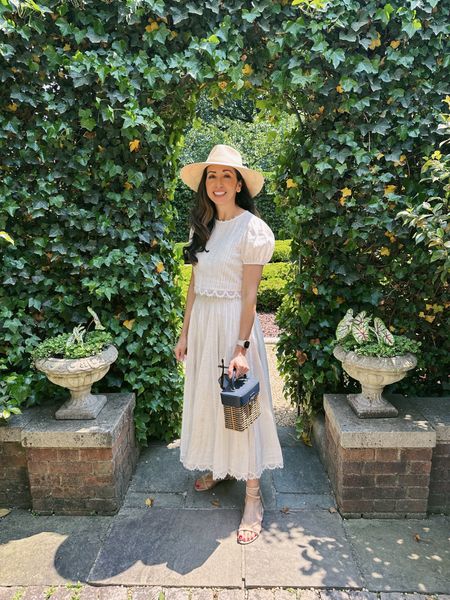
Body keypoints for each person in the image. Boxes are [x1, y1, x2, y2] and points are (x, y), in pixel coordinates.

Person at [174, 144, 283, 545]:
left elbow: (250, 297)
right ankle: (220, 466)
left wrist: (241, 347)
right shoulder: (202, 226)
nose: (218, 183)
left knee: (244, 410)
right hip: (204, 326)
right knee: (209, 399)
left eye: (226, 176)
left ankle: (253, 498)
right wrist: (185, 332)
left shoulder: (253, 230)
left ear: (239, 184)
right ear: (205, 184)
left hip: (235, 329)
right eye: (212, 176)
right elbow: (194, 284)